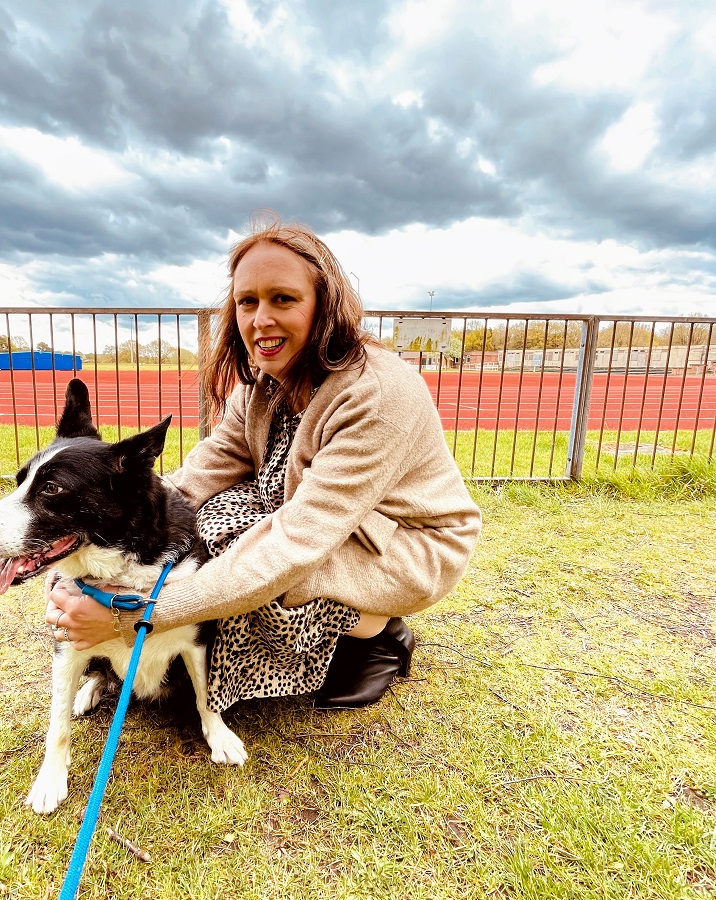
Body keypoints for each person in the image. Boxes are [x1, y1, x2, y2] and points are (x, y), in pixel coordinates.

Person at [46, 215, 482, 710]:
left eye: (283, 299)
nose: (260, 319)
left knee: (271, 571)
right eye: (247, 301)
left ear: (325, 306)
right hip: (305, 516)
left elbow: (297, 542)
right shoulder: (260, 385)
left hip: (402, 542)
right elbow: (200, 475)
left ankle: (376, 635)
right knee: (203, 531)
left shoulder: (378, 394)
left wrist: (139, 615)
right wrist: (119, 530)